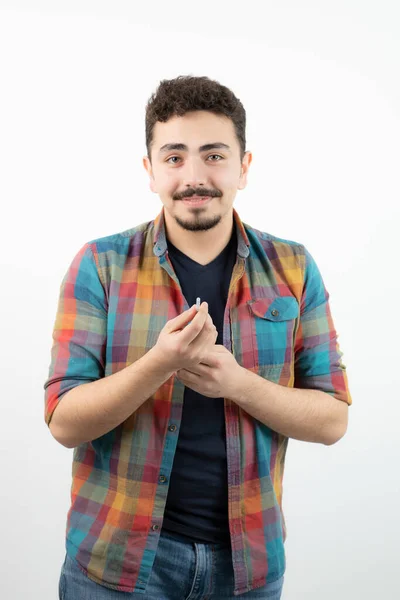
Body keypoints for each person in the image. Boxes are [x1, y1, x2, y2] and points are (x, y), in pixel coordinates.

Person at [44, 75, 352, 600]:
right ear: (149, 171)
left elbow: (332, 420)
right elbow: (63, 422)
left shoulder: (294, 269)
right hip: (116, 563)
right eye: (174, 157)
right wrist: (159, 363)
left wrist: (237, 383)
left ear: (243, 167)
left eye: (214, 155)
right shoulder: (100, 265)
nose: (194, 176)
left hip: (248, 565)